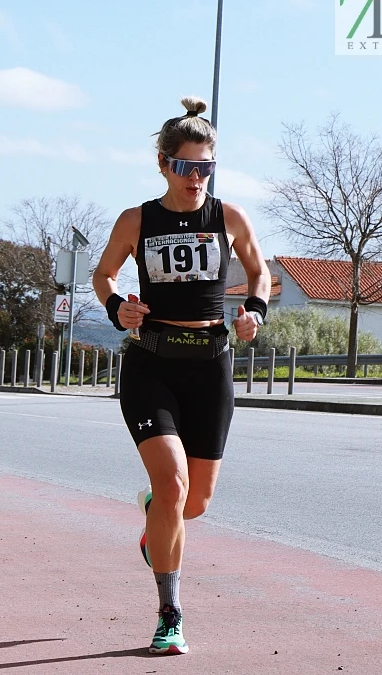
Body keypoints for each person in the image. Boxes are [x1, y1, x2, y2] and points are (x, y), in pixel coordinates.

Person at [92, 96, 269, 656]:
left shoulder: (229, 218)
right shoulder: (138, 219)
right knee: (172, 484)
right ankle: (170, 612)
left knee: (193, 504)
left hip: (210, 364)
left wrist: (254, 313)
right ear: (165, 165)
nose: (195, 178)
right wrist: (118, 304)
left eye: (205, 168)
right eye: (185, 167)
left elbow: (260, 271)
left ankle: (155, 515)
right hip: (152, 362)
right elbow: (103, 273)